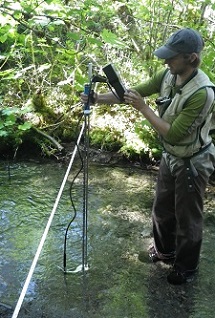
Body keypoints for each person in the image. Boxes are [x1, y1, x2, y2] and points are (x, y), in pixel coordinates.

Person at [81, 28, 215, 285]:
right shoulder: (167, 74)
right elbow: (132, 93)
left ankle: (186, 267)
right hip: (171, 156)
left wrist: (143, 108)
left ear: (191, 58)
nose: (166, 61)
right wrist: (97, 98)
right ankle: (165, 252)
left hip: (193, 160)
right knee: (162, 209)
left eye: (172, 57)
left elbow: (174, 133)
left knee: (188, 217)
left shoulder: (202, 93)